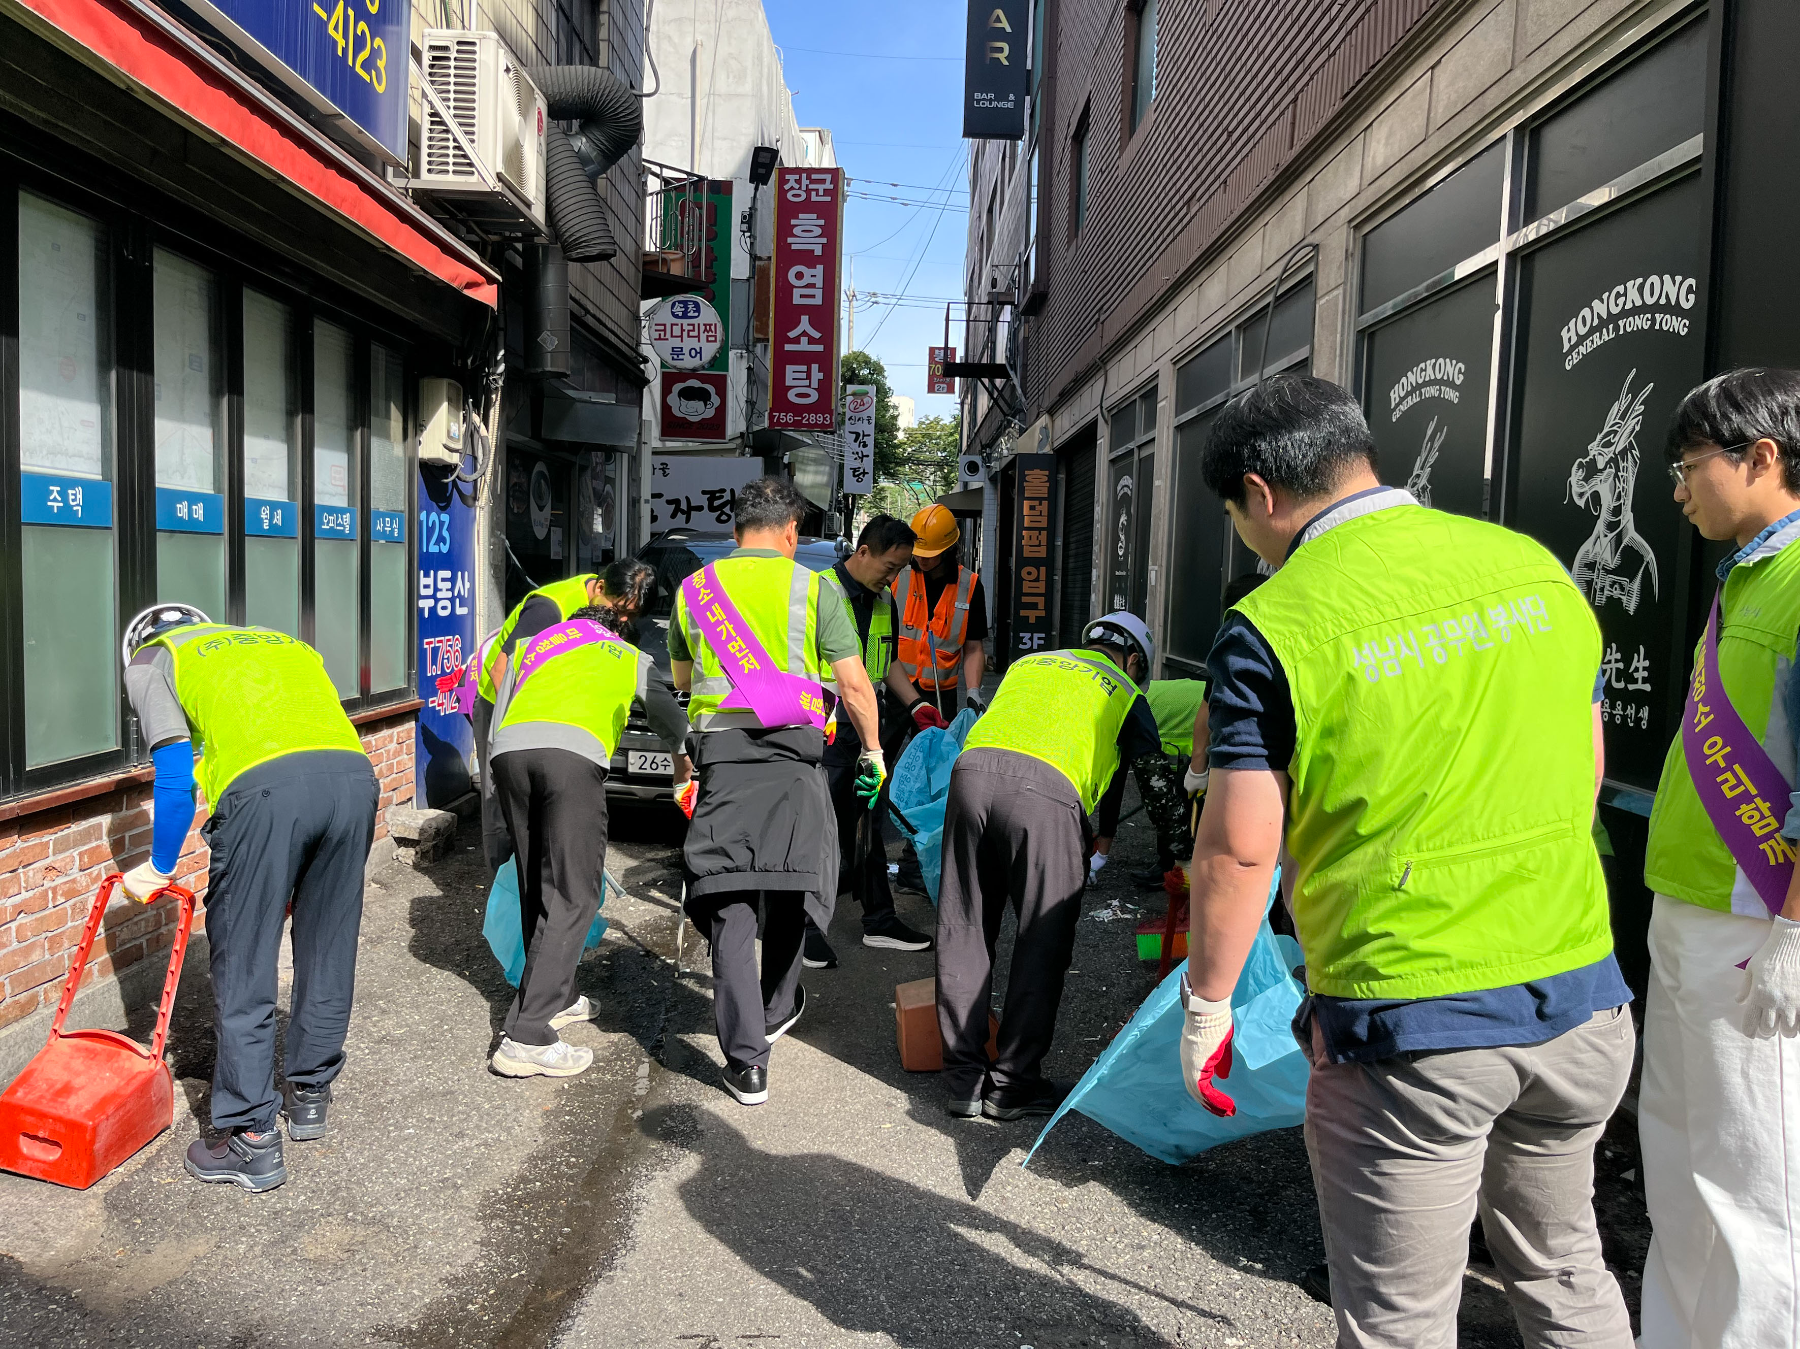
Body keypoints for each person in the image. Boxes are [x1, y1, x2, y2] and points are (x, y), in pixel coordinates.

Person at [1177, 375, 1633, 1348]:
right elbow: (1585, 769)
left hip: (1411, 1022)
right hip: (1583, 997)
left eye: (1235, 516)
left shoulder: (1272, 622)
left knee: (1398, 1322)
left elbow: (1238, 846)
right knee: (1563, 1272)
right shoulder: (1534, 568)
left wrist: (1208, 1003)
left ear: (1261, 494)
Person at [1639, 368, 1800, 1348]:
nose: (1679, 488)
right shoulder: (1748, 574)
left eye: (1690, 464)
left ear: (1764, 457)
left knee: (1755, 1183)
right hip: (1688, 909)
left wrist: (1793, 931)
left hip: (1755, 925)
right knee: (1678, 1157)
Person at [120, 605, 379, 1194]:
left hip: (265, 795)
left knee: (243, 957)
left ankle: (250, 1139)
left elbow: (173, 777)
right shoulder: (277, 642)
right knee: (329, 943)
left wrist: (158, 868)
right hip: (353, 780)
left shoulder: (153, 659)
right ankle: (310, 1094)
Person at [669, 477, 885, 1106]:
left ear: (735, 529)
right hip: (796, 762)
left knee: (730, 898)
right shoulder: (816, 588)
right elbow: (855, 687)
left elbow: (686, 683)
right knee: (794, 881)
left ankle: (746, 1063)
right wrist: (872, 754)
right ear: (792, 530)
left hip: (725, 764)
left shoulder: (693, 591)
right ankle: (777, 1005)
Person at [936, 611, 1161, 1120]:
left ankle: (965, 1081)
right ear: (1133, 660)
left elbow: (1108, 765)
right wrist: (1184, 850)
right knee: (1042, 937)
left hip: (971, 774)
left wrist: (1102, 829)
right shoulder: (1124, 688)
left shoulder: (1033, 664)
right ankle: (1012, 1084)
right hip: (1046, 794)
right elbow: (1151, 776)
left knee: (965, 926)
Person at [487, 602, 692, 1078]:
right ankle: (527, 1037)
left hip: (509, 754)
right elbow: (672, 722)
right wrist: (684, 770)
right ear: (615, 628)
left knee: (536, 885)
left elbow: (502, 703)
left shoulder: (535, 646)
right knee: (575, 894)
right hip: (571, 761)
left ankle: (552, 997)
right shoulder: (625, 653)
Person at [804, 514, 943, 969]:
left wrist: (917, 703)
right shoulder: (816, 590)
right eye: (890, 565)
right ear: (863, 551)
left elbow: (887, 664)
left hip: (866, 734)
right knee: (817, 831)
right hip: (821, 730)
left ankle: (879, 922)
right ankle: (803, 930)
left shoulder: (884, 602)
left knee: (868, 826)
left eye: (901, 569)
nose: (894, 576)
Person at [473, 559, 657, 870]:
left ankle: (539, 889)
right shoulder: (551, 608)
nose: (623, 619)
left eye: (632, 614)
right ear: (599, 588)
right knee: (503, 808)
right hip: (505, 709)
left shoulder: (602, 598)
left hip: (553, 711)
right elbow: (502, 669)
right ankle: (505, 900)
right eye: (619, 609)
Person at [1089, 675, 1209, 890]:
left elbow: (1115, 787)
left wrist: (1101, 854)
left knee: (1173, 799)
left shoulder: (1117, 714)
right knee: (1169, 796)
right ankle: (1172, 864)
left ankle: (1176, 870)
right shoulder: (1115, 698)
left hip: (1207, 714)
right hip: (1199, 701)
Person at [893, 502, 988, 721]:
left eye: (930, 553)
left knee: (937, 752)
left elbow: (973, 647)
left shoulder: (970, 585)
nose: (921, 558)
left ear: (948, 549)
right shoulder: (898, 574)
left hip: (940, 694)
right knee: (881, 750)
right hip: (896, 686)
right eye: (918, 552)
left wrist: (973, 690)